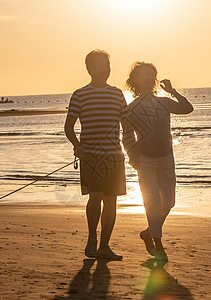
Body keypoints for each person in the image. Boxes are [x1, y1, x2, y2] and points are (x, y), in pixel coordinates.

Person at [122, 62, 193, 261]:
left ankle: (148, 232)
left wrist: (173, 92)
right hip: (145, 161)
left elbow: (187, 108)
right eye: (144, 75)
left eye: (151, 75)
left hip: (166, 158)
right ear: (135, 79)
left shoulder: (163, 102)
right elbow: (127, 137)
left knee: (168, 202)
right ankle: (158, 243)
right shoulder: (130, 109)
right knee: (152, 203)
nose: (148, 78)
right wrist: (132, 157)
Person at [64, 49, 129, 260]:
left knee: (111, 201)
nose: (105, 69)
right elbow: (68, 127)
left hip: (114, 155)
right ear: (89, 68)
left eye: (107, 66)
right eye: (100, 65)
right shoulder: (80, 94)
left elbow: (127, 124)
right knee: (96, 197)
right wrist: (77, 146)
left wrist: (133, 148)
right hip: (90, 156)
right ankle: (92, 239)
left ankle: (104, 247)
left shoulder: (117, 94)